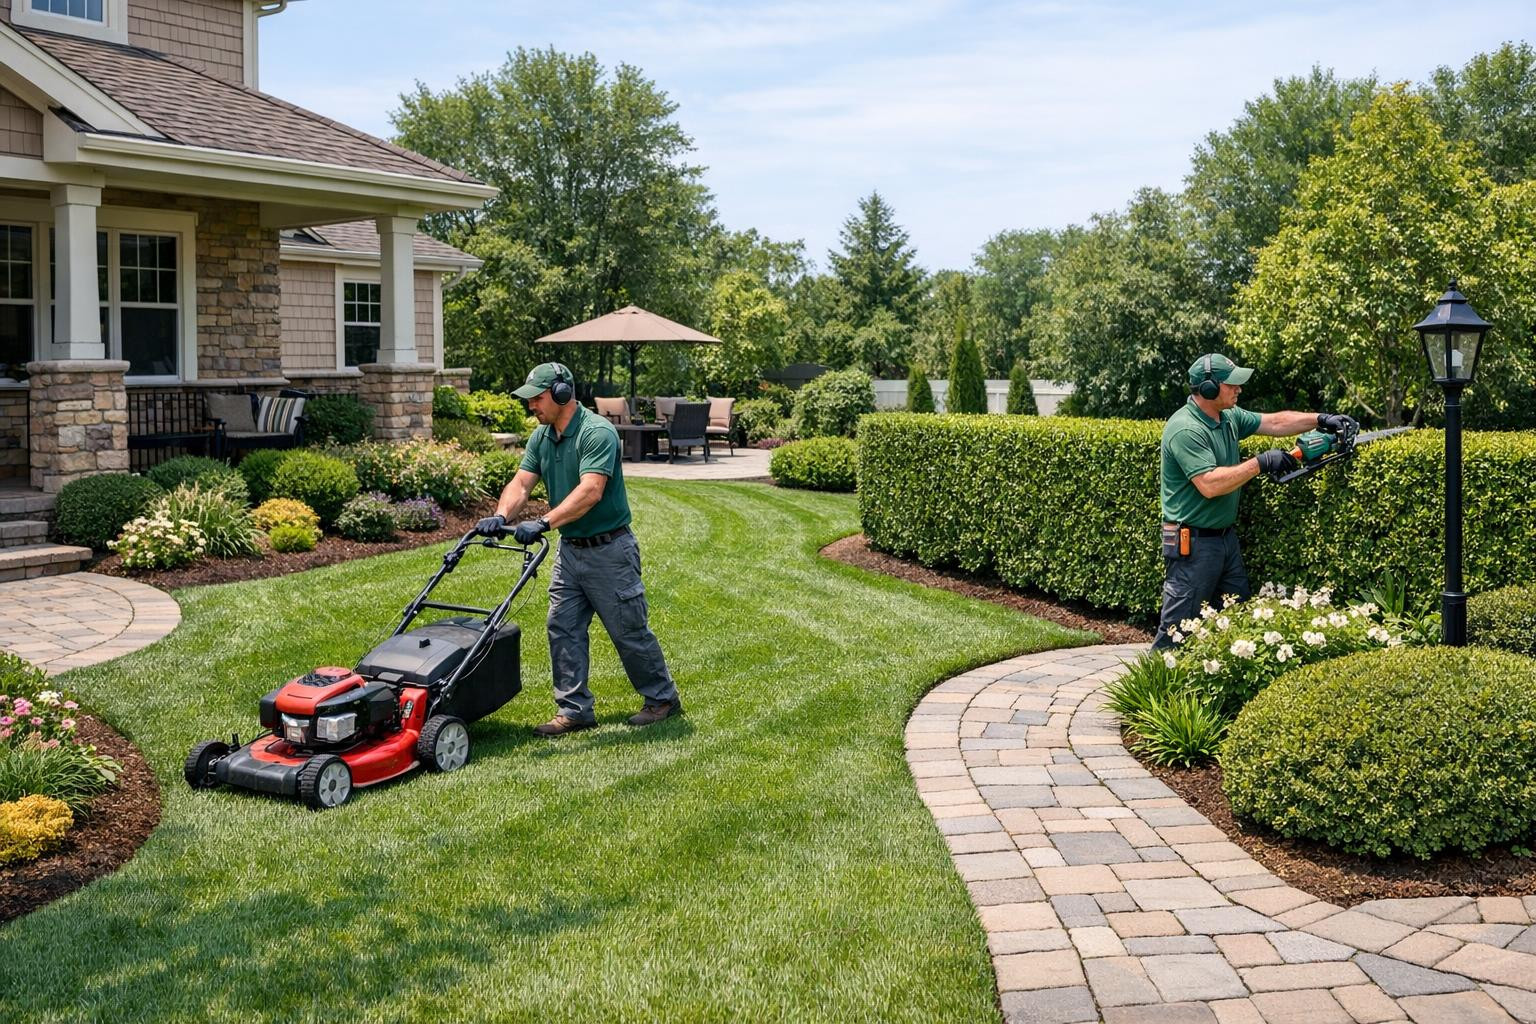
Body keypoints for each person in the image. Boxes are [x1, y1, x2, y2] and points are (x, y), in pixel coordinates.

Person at [477, 362, 683, 735]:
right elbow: (522, 483)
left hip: (610, 551)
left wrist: (543, 523)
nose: (531, 407)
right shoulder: (542, 437)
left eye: (537, 399)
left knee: (628, 631)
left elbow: (591, 491)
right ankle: (574, 710)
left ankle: (662, 699)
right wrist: (500, 514)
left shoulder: (596, 432)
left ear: (560, 394)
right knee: (563, 627)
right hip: (571, 552)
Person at [1153, 354, 1355, 649]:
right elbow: (1210, 484)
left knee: (1237, 621)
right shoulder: (1186, 429)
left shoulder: (1228, 417)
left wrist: (1322, 419)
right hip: (1193, 545)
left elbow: (1274, 422)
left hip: (1225, 540)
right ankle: (1156, 688)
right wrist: (1260, 463)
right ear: (1209, 388)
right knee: (1176, 632)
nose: (1239, 389)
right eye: (1232, 384)